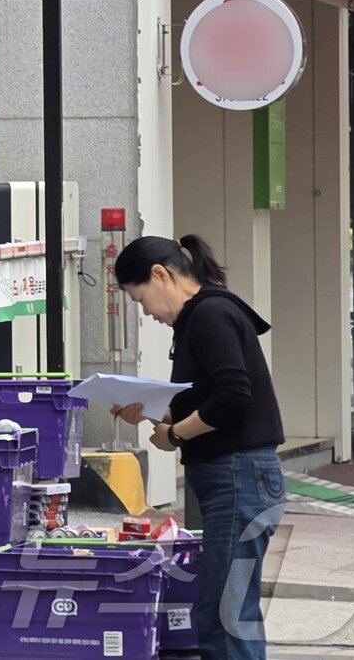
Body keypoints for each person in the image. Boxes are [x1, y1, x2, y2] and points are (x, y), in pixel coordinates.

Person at [110, 234, 286, 660]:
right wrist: (152, 413)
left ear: (161, 274)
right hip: (237, 477)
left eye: (140, 299)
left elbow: (233, 395)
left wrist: (174, 435)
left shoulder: (209, 314)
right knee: (228, 610)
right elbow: (204, 399)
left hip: (238, 477)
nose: (146, 312)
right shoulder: (200, 316)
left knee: (224, 615)